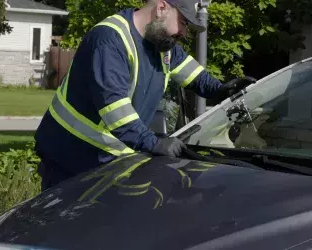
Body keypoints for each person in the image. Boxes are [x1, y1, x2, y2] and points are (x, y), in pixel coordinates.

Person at [33, 0, 252, 191]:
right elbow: (116, 113)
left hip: (108, 161)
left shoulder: (163, 46)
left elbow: (196, 78)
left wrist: (222, 89)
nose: (184, 34)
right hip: (70, 159)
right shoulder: (109, 39)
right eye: (184, 23)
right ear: (162, 8)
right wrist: (155, 143)